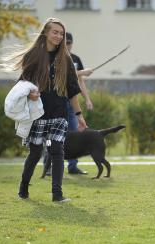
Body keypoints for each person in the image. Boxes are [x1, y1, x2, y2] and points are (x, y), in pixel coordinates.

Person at [2, 17, 87, 202]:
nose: (58, 36)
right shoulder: (33, 56)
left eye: (61, 33)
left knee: (58, 151)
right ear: (46, 33)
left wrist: (79, 115)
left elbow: (72, 90)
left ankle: (57, 194)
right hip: (38, 113)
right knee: (35, 152)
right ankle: (23, 188)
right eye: (55, 32)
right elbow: (23, 84)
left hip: (58, 113)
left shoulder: (65, 58)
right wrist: (30, 94)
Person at [44, 32, 93, 176]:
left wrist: (87, 99)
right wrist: (83, 72)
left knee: (75, 135)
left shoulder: (76, 59)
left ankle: (73, 165)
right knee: (51, 136)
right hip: (55, 102)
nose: (68, 45)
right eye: (66, 42)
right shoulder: (55, 56)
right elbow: (63, 75)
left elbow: (80, 82)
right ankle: (48, 166)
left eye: (70, 43)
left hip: (71, 103)